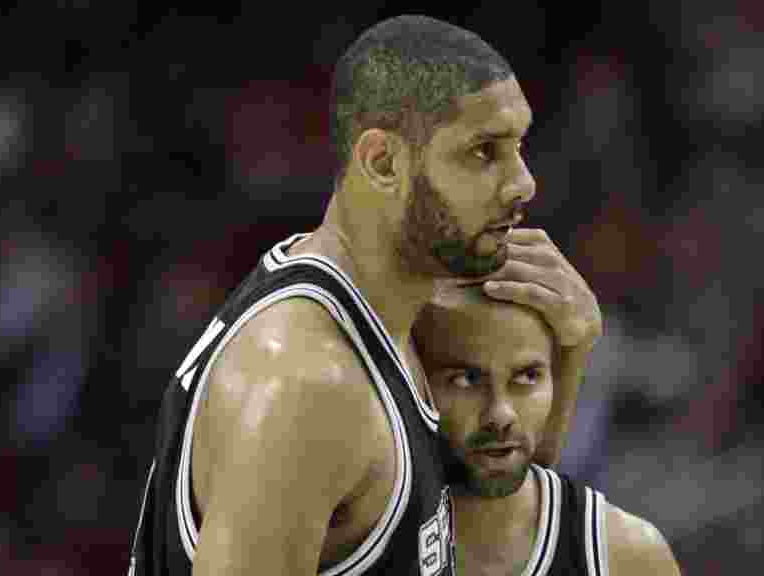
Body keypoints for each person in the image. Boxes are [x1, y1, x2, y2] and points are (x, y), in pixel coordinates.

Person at [127, 14, 601, 575]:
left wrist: (572, 348)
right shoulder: (307, 382)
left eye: (518, 146)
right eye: (483, 151)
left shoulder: (391, 312)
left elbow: (491, 529)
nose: (524, 182)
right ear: (383, 162)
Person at [413, 286, 681, 576]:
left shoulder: (628, 555)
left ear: (555, 379)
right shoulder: (368, 529)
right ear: (416, 379)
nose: (501, 414)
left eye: (527, 376)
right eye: (466, 380)